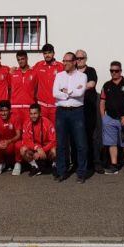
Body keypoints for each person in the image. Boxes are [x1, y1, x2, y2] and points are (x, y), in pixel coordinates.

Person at [53, 52, 88, 183]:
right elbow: (55, 93)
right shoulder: (59, 75)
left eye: (68, 61)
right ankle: (62, 171)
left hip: (77, 112)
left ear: (74, 62)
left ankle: (81, 173)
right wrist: (70, 92)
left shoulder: (82, 76)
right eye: (64, 61)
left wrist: (66, 91)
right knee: (61, 144)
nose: (65, 63)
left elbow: (80, 93)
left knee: (80, 144)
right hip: (61, 112)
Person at [100, 61, 124, 176]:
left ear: (120, 71)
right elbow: (102, 102)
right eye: (112, 71)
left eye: (116, 71)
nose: (114, 73)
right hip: (110, 119)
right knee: (112, 144)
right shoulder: (106, 85)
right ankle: (114, 166)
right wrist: (103, 118)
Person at [75, 49, 102, 174]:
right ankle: (79, 164)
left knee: (93, 136)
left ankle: (96, 163)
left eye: (81, 58)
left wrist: (77, 88)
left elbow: (91, 83)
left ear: (86, 59)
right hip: (76, 108)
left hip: (89, 108)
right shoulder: (71, 71)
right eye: (77, 58)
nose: (79, 60)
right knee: (77, 138)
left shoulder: (91, 71)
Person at [0, 100, 23, 176]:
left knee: (19, 144)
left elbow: (18, 135)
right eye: (1, 111)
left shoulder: (16, 117)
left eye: (6, 111)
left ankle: (18, 164)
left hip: (12, 143)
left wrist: (9, 141)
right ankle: (0, 163)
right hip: (1, 143)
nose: (3, 113)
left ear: (10, 110)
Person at [20, 103, 56, 176]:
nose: (33, 116)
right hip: (35, 150)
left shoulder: (47, 123)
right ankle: (35, 166)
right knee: (23, 149)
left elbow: (53, 141)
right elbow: (26, 140)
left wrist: (43, 150)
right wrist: (37, 148)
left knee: (54, 150)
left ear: (40, 113)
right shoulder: (27, 123)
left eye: (35, 113)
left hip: (46, 150)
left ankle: (54, 165)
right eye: (31, 114)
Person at [33, 43, 64, 124]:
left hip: (55, 105)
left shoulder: (60, 66)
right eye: (45, 53)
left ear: (53, 53)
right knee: (43, 129)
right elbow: (28, 72)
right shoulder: (38, 65)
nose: (47, 55)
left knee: (55, 130)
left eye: (49, 53)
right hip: (42, 105)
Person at [10, 50, 37, 125]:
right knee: (17, 133)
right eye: (18, 60)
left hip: (29, 107)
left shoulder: (34, 72)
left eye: (22, 59)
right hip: (15, 108)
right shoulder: (12, 73)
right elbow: (8, 89)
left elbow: (37, 89)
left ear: (27, 58)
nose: (20, 61)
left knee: (28, 132)